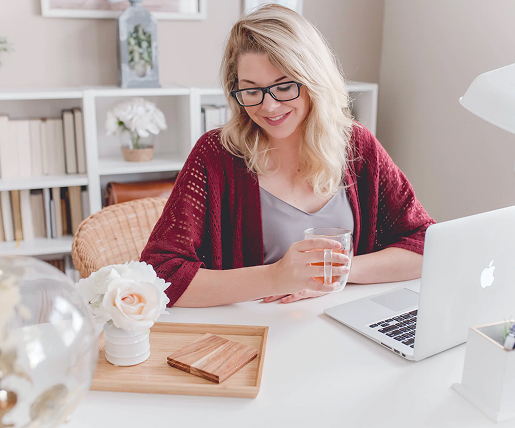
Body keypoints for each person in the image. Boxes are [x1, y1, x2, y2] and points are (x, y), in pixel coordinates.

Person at [140, 4, 435, 307]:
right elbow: (159, 274)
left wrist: (334, 273)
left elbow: (426, 244)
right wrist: (276, 277)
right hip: (253, 336)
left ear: (313, 80)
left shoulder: (357, 146)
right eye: (251, 90)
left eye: (284, 86)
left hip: (341, 328)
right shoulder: (215, 155)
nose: (268, 107)